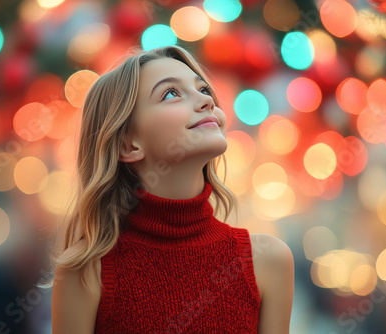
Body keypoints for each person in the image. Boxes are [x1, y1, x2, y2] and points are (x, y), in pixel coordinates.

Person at [49, 45, 294, 333]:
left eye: (203, 89)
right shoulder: (86, 271)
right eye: (171, 93)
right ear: (128, 145)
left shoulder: (268, 261)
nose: (206, 102)